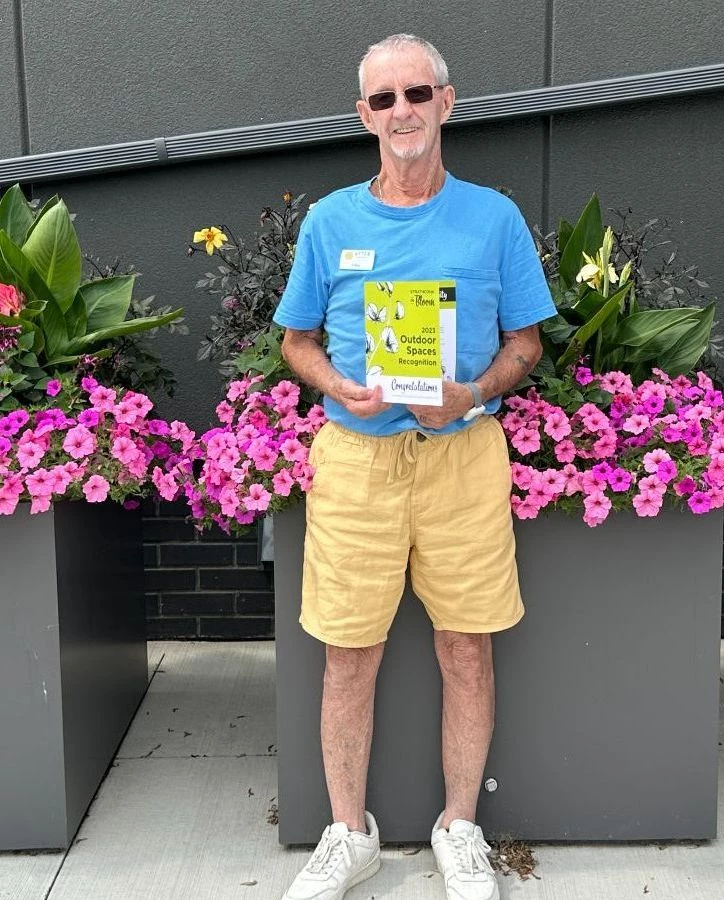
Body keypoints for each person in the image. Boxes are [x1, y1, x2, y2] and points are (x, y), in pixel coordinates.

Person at [275, 33, 555, 900]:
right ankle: (347, 833)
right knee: (347, 652)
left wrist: (471, 391)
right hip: (356, 459)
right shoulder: (330, 220)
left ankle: (458, 827)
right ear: (364, 115)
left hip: (461, 455)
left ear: (448, 101)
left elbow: (528, 343)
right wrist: (337, 385)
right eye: (385, 99)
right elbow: (296, 342)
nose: (404, 112)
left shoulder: (494, 217)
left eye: (417, 94)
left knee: (466, 645)